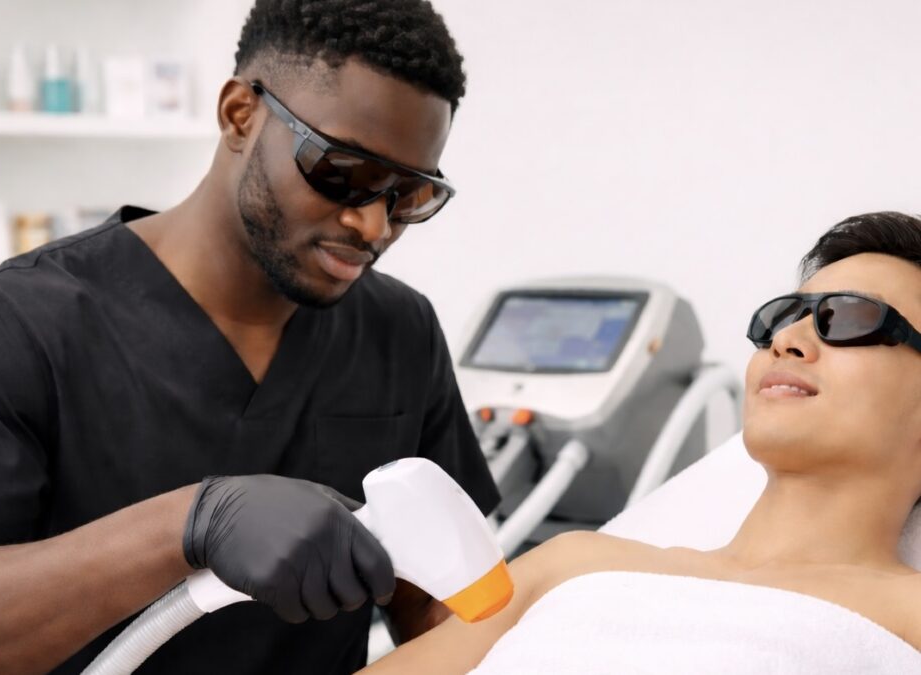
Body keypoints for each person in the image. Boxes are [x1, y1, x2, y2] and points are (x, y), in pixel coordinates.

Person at [0, 1, 500, 673]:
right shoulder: (18, 323)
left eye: (408, 196)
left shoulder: (399, 331)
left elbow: (438, 602)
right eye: (343, 172)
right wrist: (188, 524)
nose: (371, 225)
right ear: (240, 114)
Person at [360, 212, 921, 673]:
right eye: (783, 317)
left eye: (845, 318)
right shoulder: (572, 564)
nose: (788, 341)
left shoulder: (906, 613)